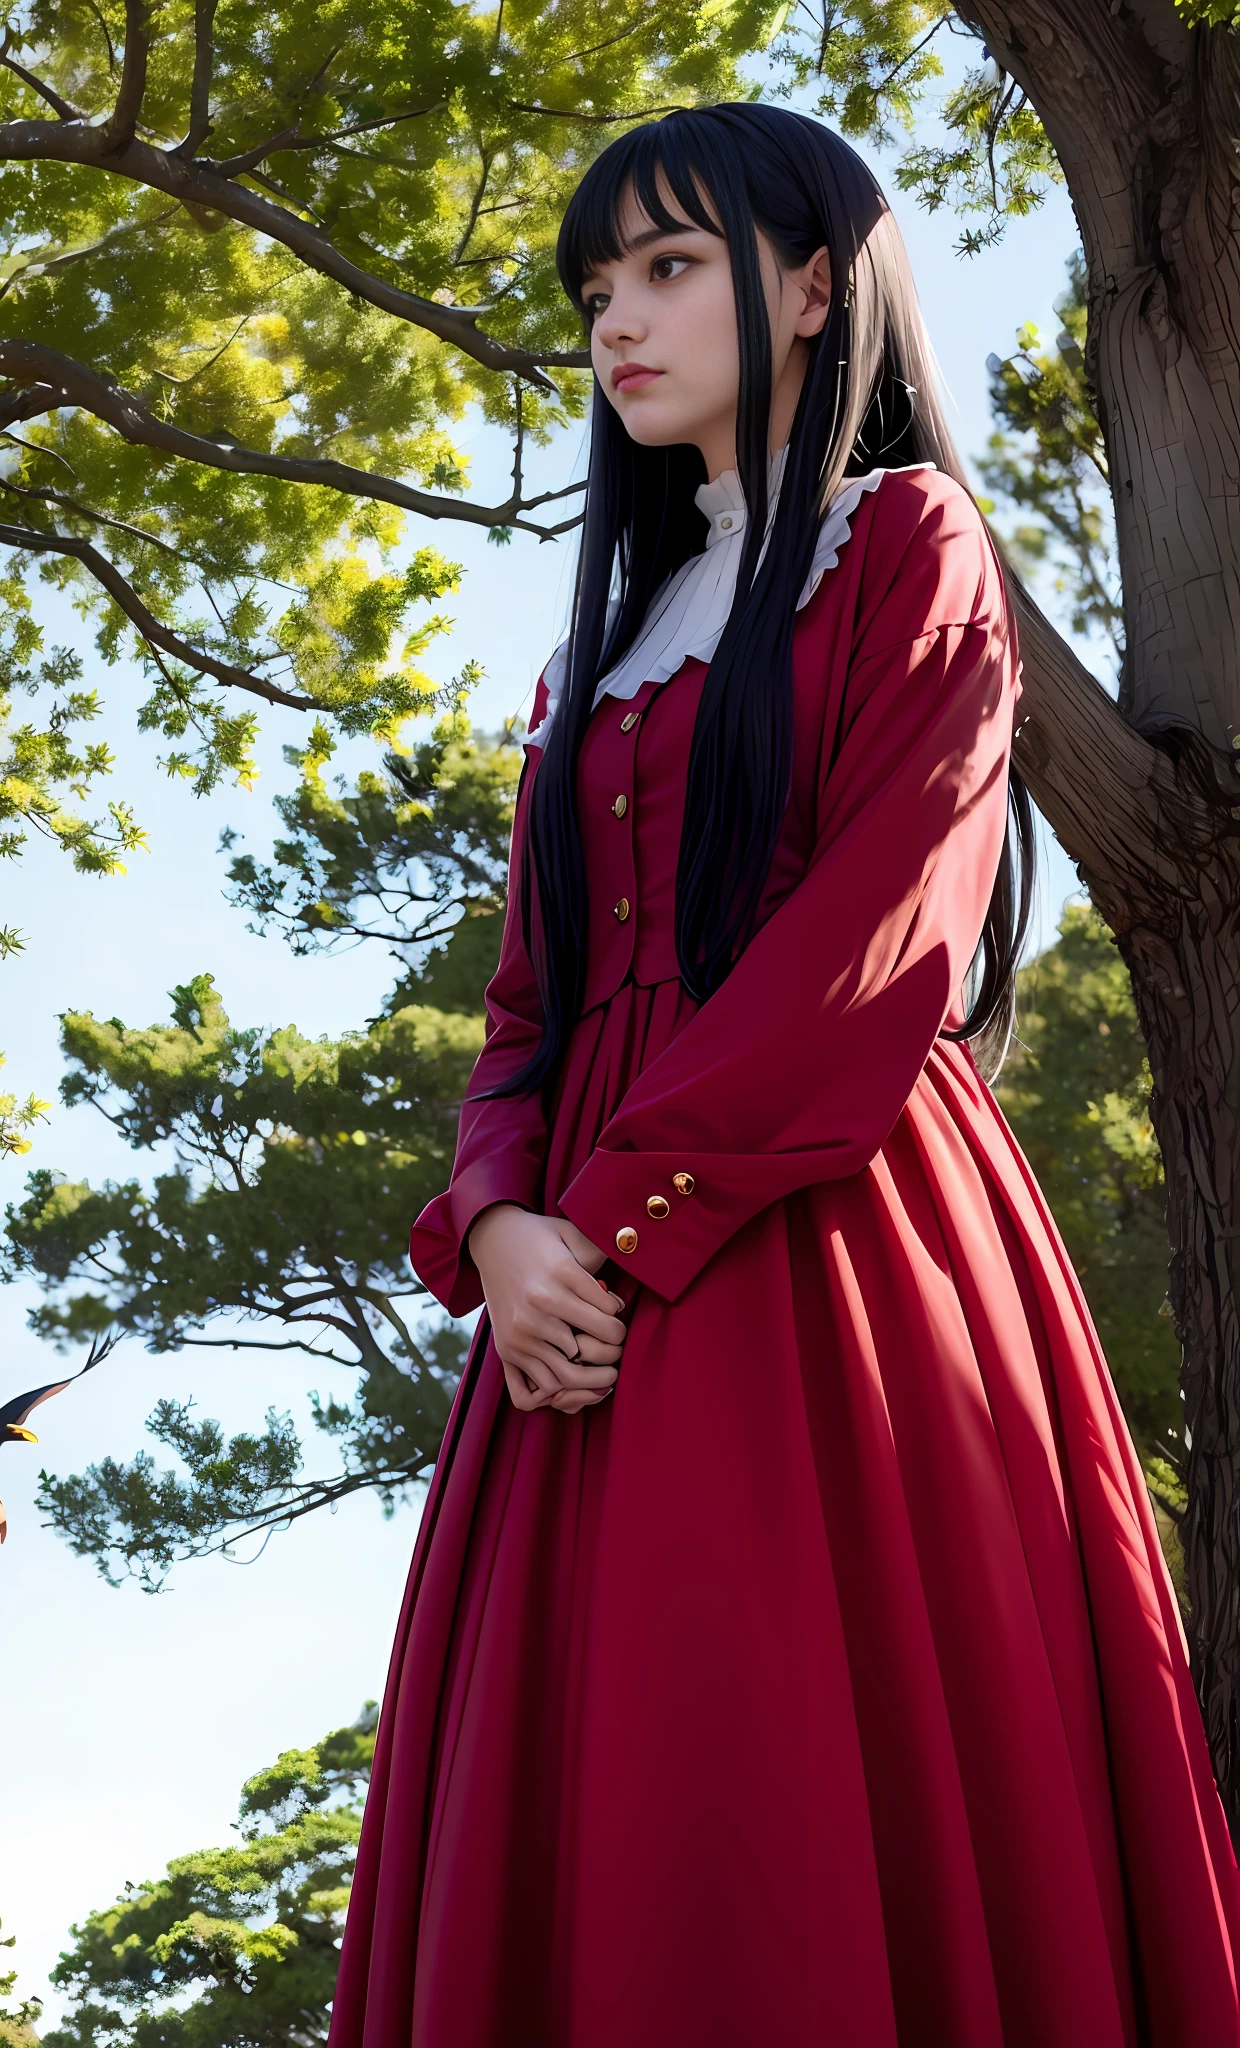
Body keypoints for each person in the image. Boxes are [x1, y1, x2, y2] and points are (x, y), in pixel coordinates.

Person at [327, 103, 1240, 2048]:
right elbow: (524, 1009)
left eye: (668, 267)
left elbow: (882, 930)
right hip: (561, 1277)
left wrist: (627, 1221)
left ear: (816, 285)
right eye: (599, 287)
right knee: (581, 1782)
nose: (619, 320)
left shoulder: (907, 541)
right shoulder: (598, 654)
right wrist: (497, 1228)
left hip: (824, 1219)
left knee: (773, 1758)